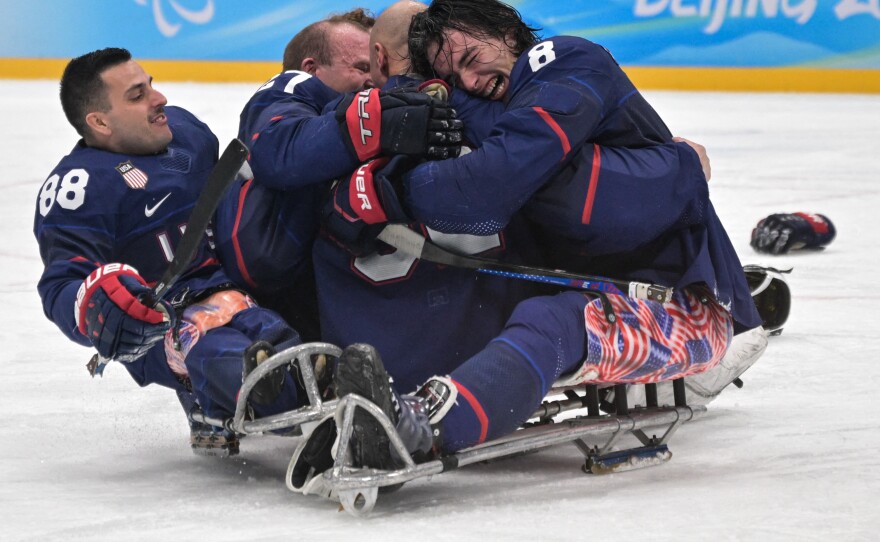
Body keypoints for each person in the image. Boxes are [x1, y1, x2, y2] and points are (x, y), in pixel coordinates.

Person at [290, 0, 765, 487]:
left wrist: (391, 193)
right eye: (454, 74)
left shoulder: (563, 59)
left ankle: (420, 428)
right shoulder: (483, 105)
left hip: (683, 306)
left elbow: (491, 191)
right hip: (593, 285)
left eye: (472, 56)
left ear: (508, 32)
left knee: (553, 320)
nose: (470, 80)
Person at [34, 48, 309, 456]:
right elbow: (61, 284)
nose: (158, 99)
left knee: (277, 336)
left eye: (151, 85)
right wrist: (95, 306)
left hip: (231, 291)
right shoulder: (79, 188)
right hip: (159, 326)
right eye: (136, 95)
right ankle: (274, 399)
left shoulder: (187, 135)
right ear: (99, 121)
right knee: (226, 356)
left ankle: (304, 388)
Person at [214, 8, 462, 340]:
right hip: (275, 310)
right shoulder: (291, 86)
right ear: (310, 69)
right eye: (361, 67)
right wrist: (372, 125)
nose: (374, 78)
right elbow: (279, 150)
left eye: (374, 66)